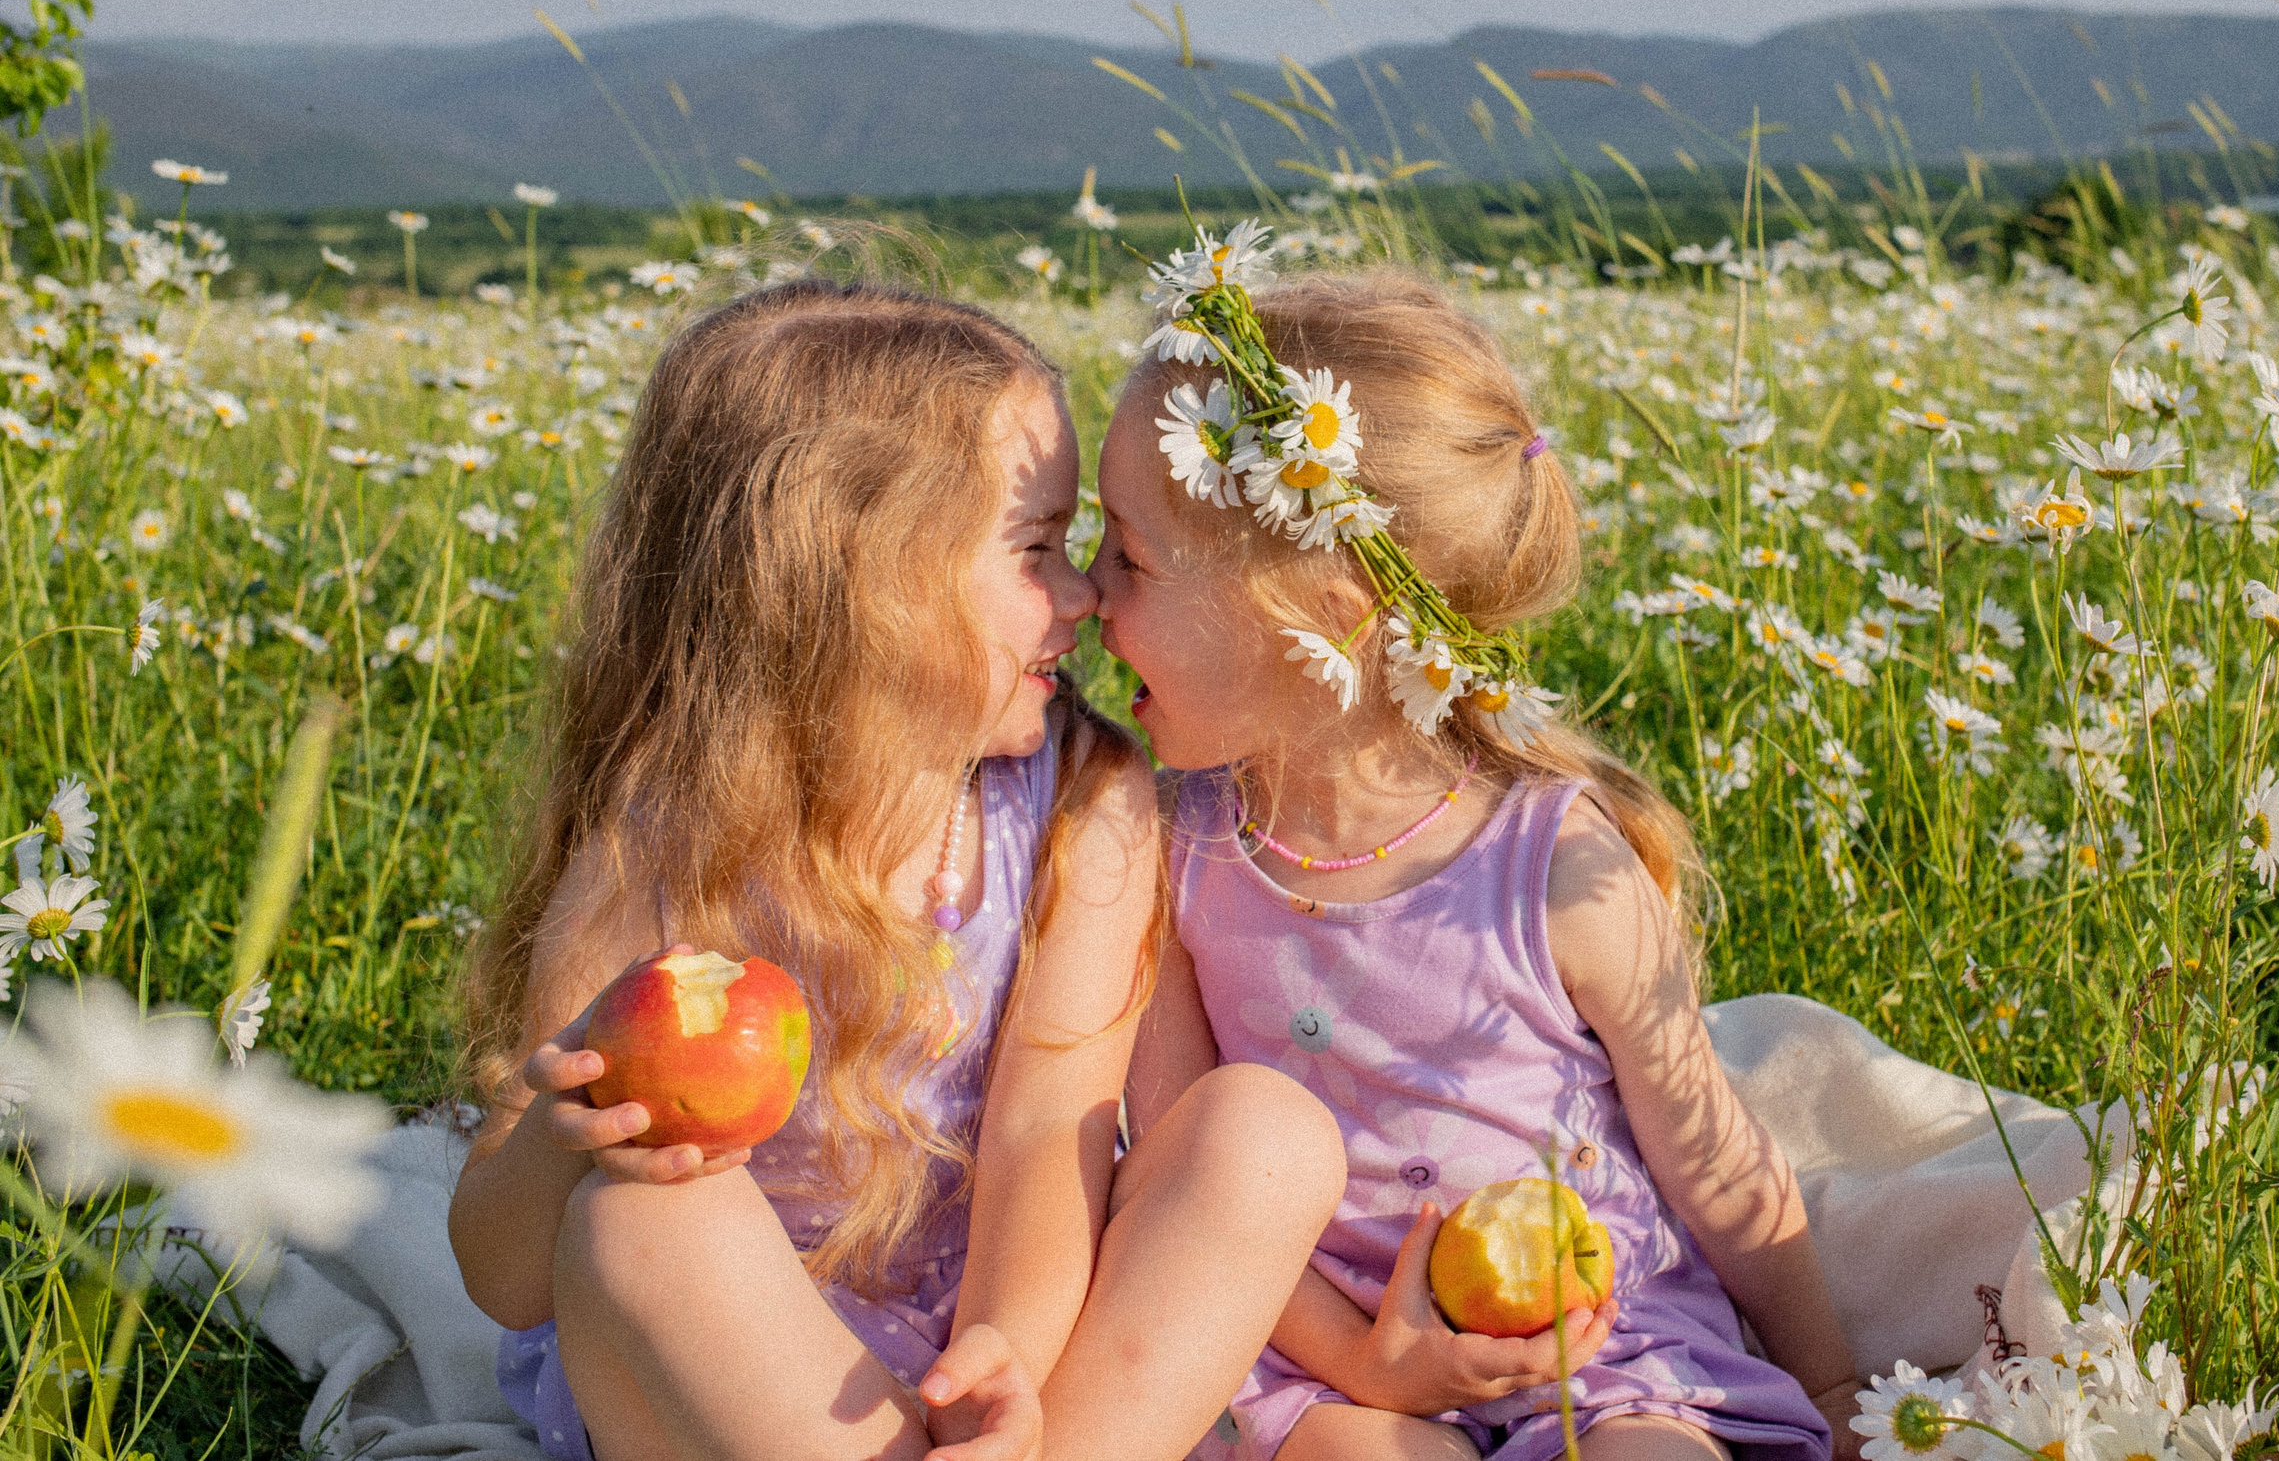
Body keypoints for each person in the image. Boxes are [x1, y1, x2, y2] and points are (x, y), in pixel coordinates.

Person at [448, 279, 1346, 1461]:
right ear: (861, 587)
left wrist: (1002, 1365)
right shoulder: (666, 838)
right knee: (643, 1226)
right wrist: (558, 1138)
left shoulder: (1082, 799)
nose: (1082, 594)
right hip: (736, 1373)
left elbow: (1042, 1140)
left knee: (1263, 1133)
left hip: (984, 1328)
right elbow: (504, 1277)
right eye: (1036, 549)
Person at [1091, 242, 1861, 1461]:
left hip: (1600, 1350)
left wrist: (1834, 1388)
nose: (1087, 593)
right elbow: (1178, 1179)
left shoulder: (1552, 862)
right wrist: (1362, 1364)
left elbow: (1715, 1160)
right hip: (1330, 1360)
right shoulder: (1169, 855)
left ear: (1318, 618)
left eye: (1128, 558)